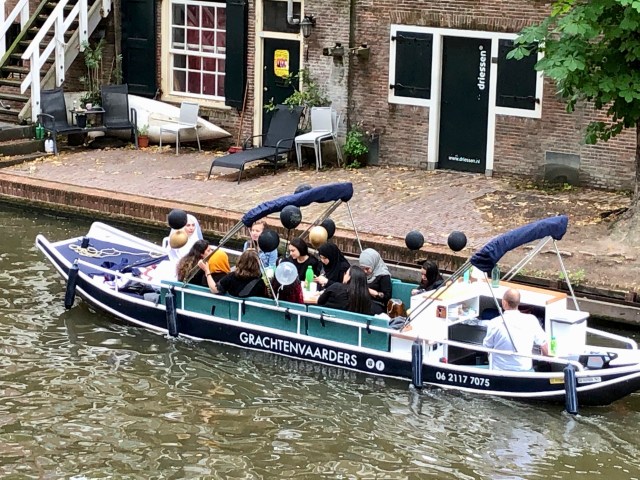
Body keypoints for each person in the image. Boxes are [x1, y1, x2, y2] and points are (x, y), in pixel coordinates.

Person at [483, 288, 549, 371]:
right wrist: (548, 363)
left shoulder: (494, 323)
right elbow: (544, 344)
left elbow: (487, 347)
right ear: (518, 303)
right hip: (524, 370)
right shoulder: (531, 320)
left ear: (504, 302)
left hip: (499, 370)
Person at [199, 249, 267, 298]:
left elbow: (215, 290)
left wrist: (207, 271)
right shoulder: (260, 283)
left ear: (240, 261)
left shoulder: (231, 276)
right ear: (257, 264)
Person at [358, 248, 392, 315]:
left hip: (377, 304)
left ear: (374, 264)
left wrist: (375, 293)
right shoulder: (361, 274)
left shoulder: (383, 276)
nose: (365, 271)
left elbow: (387, 297)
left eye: (367, 268)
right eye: (362, 268)